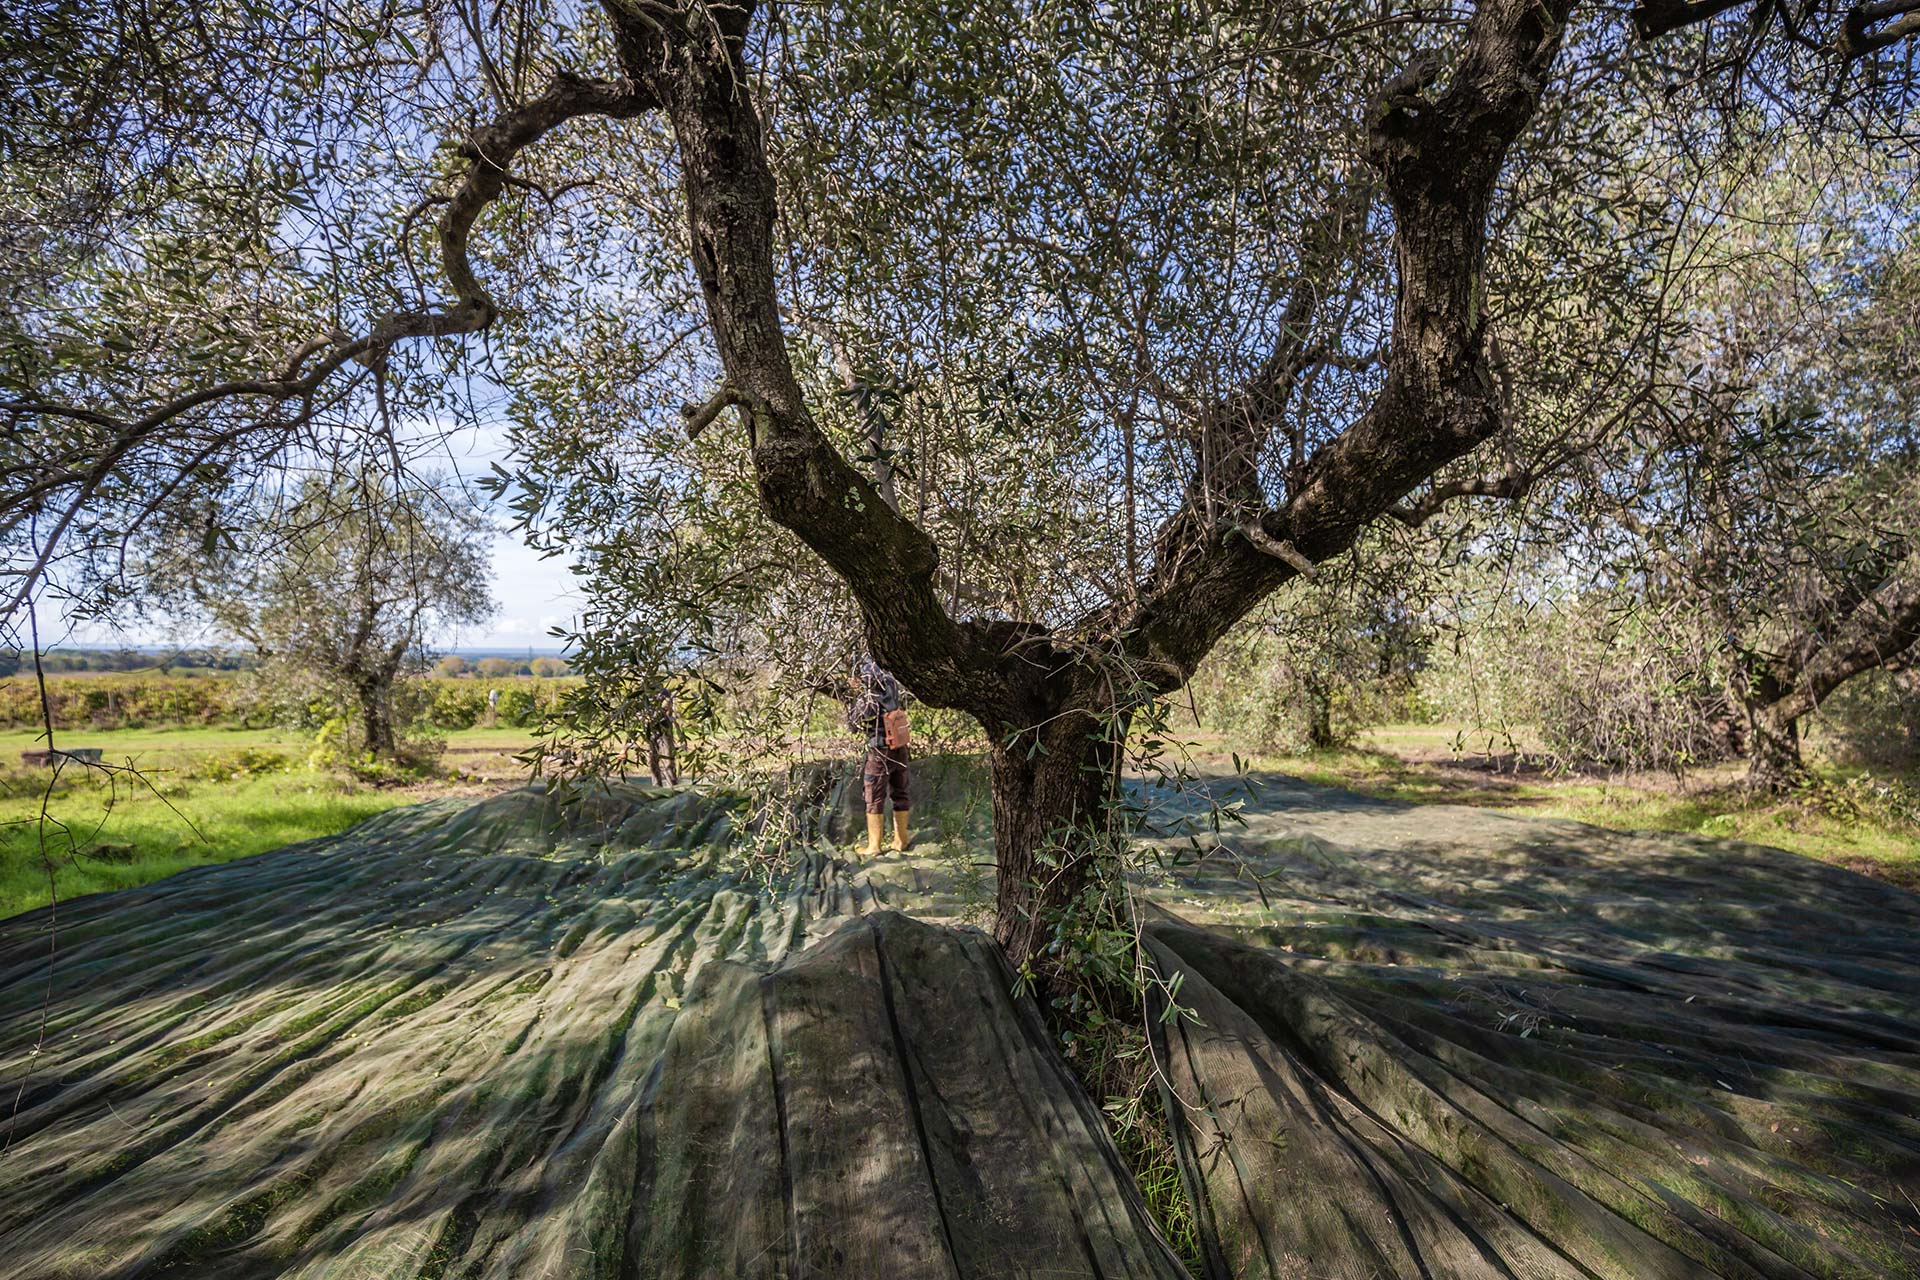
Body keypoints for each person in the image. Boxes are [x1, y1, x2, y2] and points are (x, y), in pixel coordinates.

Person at [847, 657, 911, 855]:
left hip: (879, 751)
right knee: (900, 792)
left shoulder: (868, 697)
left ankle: (874, 847)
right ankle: (901, 841)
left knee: (874, 796)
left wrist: (854, 697)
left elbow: (853, 725)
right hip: (900, 746)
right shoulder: (893, 686)